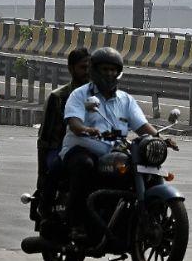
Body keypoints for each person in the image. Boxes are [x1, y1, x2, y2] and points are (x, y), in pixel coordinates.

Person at [61, 47, 176, 244]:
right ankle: (76, 224)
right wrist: (85, 129)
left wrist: (160, 138)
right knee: (84, 166)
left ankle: (149, 221)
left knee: (148, 170)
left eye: (113, 70)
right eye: (105, 69)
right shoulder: (80, 95)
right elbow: (74, 122)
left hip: (115, 151)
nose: (110, 73)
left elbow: (141, 126)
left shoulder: (125, 99)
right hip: (83, 148)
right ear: (95, 70)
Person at [35, 47, 91, 200]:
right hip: (59, 149)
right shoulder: (58, 97)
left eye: (90, 68)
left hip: (90, 148)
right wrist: (41, 175)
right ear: (71, 69)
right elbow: (44, 140)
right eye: (83, 68)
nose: (87, 72)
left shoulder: (100, 96)